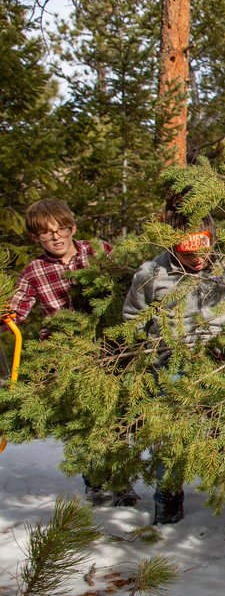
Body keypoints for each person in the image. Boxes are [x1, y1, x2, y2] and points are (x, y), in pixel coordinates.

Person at [122, 206, 225, 528]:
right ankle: (167, 504)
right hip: (172, 364)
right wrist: (154, 350)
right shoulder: (151, 274)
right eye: (188, 253)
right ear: (172, 245)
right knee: (170, 438)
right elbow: (132, 318)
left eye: (203, 249)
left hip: (222, 360)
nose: (197, 259)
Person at [3, 199, 136, 506]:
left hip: (109, 347)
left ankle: (121, 481)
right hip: (66, 353)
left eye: (61, 229)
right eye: (47, 234)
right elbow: (16, 309)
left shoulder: (97, 251)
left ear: (73, 228)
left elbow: (130, 282)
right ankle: (95, 482)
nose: (56, 237)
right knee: (82, 416)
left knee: (115, 415)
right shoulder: (35, 270)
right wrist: (5, 316)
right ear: (36, 238)